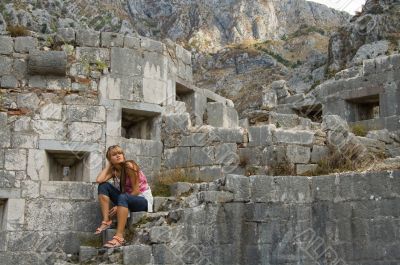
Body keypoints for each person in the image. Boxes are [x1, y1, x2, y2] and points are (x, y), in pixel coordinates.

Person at [95, 145, 153, 248]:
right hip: (126, 199)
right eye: (114, 155)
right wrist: (109, 164)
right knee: (103, 186)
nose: (118, 156)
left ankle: (119, 237)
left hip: (142, 199)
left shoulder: (129, 166)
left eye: (120, 153)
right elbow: (99, 180)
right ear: (110, 159)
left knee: (123, 197)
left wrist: (118, 206)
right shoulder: (115, 171)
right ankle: (106, 220)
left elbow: (136, 191)